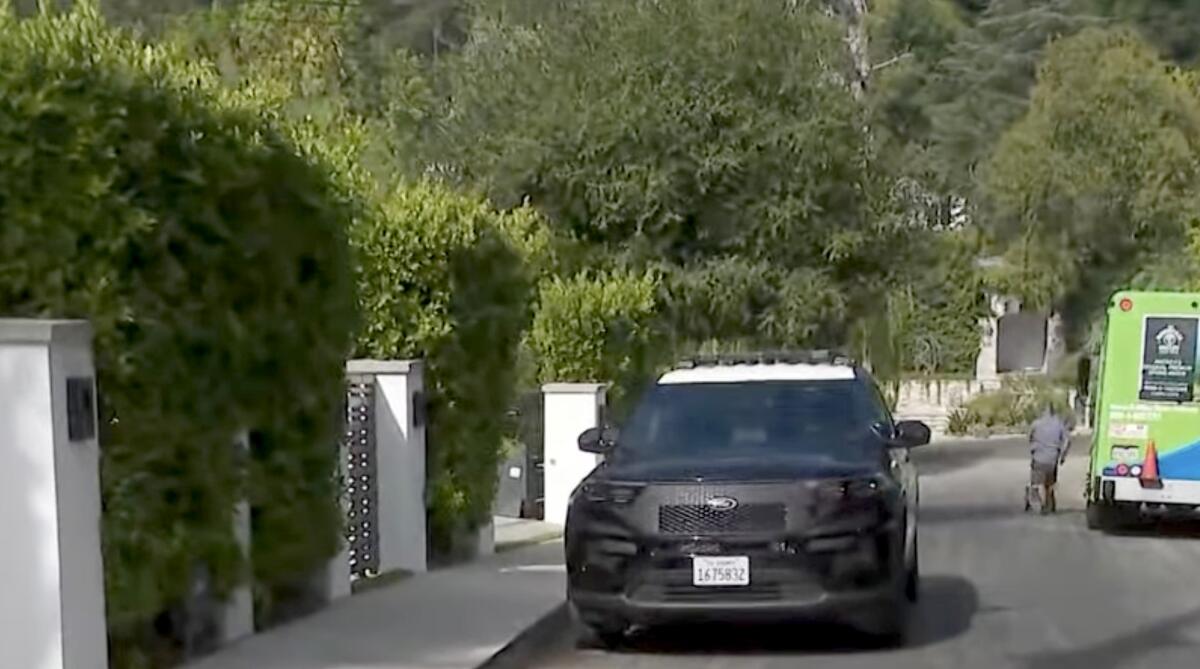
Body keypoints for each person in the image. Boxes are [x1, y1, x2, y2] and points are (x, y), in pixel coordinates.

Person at [1027, 403, 1071, 514]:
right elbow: (1067, 441)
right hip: (1053, 459)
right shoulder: (1059, 424)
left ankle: (1041, 504)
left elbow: (1029, 437)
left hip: (1038, 458)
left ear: (1043, 412)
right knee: (1050, 483)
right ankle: (1049, 504)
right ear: (1053, 412)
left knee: (1037, 482)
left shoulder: (1036, 424)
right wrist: (1062, 455)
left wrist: (1033, 447)